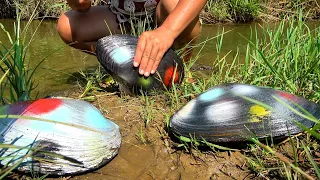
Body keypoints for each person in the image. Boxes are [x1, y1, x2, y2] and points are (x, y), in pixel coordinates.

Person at [57, 0, 207, 77]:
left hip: (162, 15)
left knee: (173, 4)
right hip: (120, 17)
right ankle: (120, 63)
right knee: (67, 27)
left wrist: (167, 31)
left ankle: (183, 68)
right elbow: (83, 7)